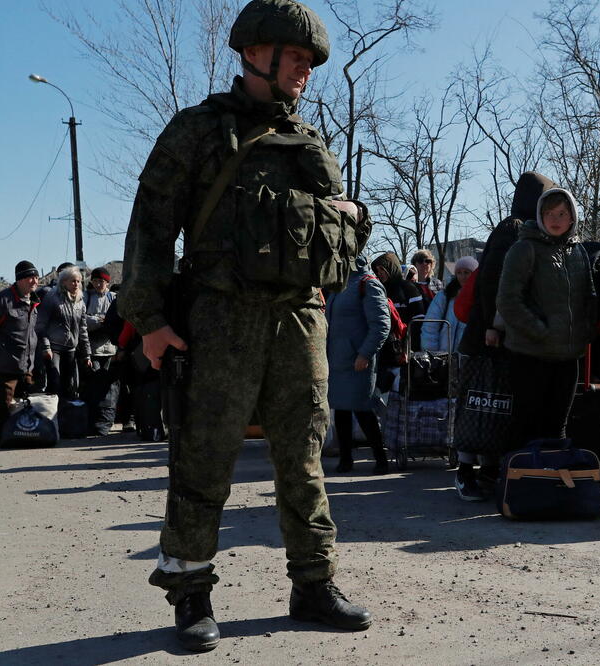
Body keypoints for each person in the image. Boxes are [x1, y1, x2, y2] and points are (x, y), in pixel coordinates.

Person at [118, 0, 373, 651]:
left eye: (310, 61)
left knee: (304, 456)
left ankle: (313, 583)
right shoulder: (198, 131)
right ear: (255, 54)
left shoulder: (309, 141)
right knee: (204, 456)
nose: (304, 70)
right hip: (220, 315)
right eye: (295, 57)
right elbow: (151, 228)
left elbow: (331, 236)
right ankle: (190, 590)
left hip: (299, 317)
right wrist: (150, 320)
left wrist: (348, 217)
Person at [496, 188, 596, 453]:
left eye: (562, 213)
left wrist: (585, 331)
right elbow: (507, 301)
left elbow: (588, 297)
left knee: (557, 427)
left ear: (572, 217)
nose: (555, 219)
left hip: (567, 357)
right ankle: (518, 476)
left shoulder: (578, 251)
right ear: (539, 216)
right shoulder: (524, 249)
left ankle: (551, 476)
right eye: (549, 213)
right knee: (526, 426)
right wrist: (541, 331)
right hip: (530, 355)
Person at [459, 171, 556, 356]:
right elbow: (492, 279)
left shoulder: (530, 229)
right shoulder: (514, 227)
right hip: (494, 334)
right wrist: (491, 325)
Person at [326, 256, 390, 474]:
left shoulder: (368, 284)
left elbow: (381, 325)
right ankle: (345, 459)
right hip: (338, 360)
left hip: (358, 361)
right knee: (341, 410)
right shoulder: (340, 284)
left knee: (363, 410)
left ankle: (381, 460)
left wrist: (365, 353)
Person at [0, 261, 42, 444]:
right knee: (3, 405)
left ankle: (16, 435)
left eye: (36, 277)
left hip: (25, 364)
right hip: (3, 365)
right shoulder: (3, 300)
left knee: (20, 404)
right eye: (30, 277)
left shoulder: (34, 301)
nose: (34, 281)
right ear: (19, 280)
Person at [37, 266, 92, 399]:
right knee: (55, 383)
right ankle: (53, 411)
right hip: (53, 347)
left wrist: (87, 354)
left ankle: (66, 411)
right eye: (73, 281)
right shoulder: (52, 297)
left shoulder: (80, 301)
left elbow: (83, 329)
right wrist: (46, 347)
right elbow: (41, 324)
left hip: (70, 348)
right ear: (64, 282)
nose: (76, 284)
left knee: (69, 385)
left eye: (78, 281)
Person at [83, 267, 119, 435]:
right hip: (92, 349)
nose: (98, 284)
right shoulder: (86, 297)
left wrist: (103, 322)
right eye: (95, 281)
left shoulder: (113, 298)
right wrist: (101, 320)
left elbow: (117, 321)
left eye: (102, 281)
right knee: (94, 386)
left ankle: (105, 423)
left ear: (107, 283)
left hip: (111, 350)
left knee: (108, 389)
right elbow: (82, 320)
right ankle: (94, 422)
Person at [421, 256, 476, 353]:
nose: (462, 276)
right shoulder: (444, 296)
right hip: (444, 356)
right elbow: (430, 326)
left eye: (466, 272)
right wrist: (432, 353)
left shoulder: (480, 297)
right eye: (459, 272)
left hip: (469, 357)